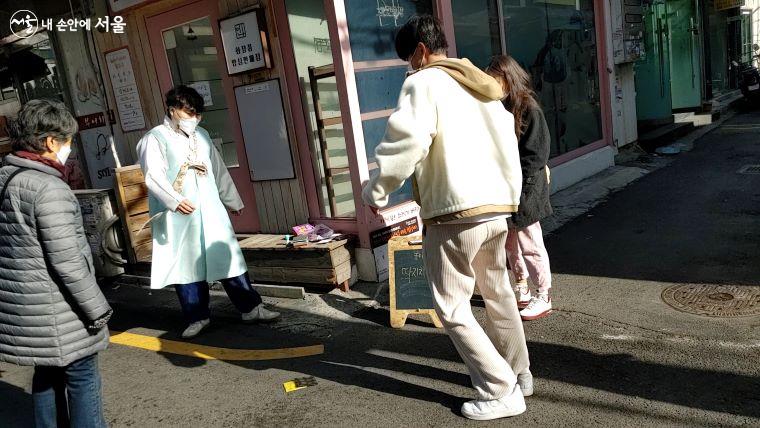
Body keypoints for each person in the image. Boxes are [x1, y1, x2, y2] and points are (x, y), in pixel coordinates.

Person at [362, 15, 532, 421]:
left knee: (452, 306)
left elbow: (407, 140)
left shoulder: (424, 82)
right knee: (498, 294)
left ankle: (500, 389)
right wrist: (510, 202)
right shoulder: (484, 88)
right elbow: (509, 147)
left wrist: (377, 190)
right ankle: (520, 373)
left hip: (454, 212)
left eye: (409, 58)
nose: (409, 66)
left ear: (421, 51)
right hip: (495, 209)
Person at [0, 99, 112, 427]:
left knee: (47, 375)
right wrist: (98, 310)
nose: (69, 148)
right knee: (83, 377)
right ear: (50, 142)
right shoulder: (49, 189)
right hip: (60, 311)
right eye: (67, 141)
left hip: (25, 309)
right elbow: (69, 263)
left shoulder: (7, 179)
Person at [136, 85, 279, 339]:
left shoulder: (201, 134)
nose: (194, 118)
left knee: (227, 256)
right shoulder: (155, 138)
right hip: (180, 214)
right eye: (188, 112)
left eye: (197, 114)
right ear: (172, 110)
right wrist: (174, 200)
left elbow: (218, 168)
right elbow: (153, 175)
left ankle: (251, 308)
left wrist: (231, 200)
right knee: (186, 264)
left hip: (210, 208)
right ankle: (197, 316)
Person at [487, 55, 554, 321]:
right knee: (511, 242)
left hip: (526, 186)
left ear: (508, 78)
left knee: (530, 241)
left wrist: (518, 183)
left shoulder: (529, 108)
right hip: (508, 185)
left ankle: (544, 294)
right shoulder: (500, 106)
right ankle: (522, 286)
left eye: (496, 80)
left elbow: (536, 155)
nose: (493, 86)